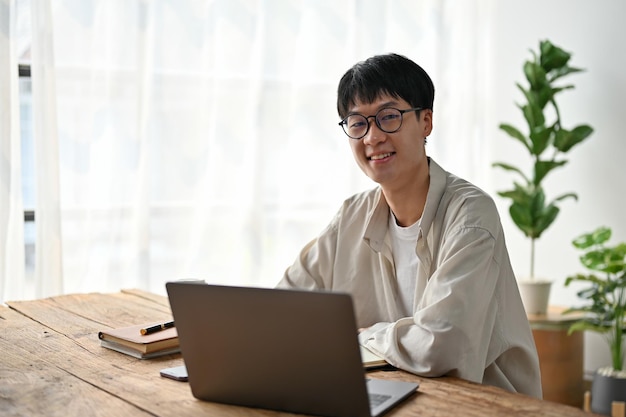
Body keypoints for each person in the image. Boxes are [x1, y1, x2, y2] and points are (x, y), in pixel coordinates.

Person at [277, 53, 542, 399]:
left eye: (388, 117)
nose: (372, 137)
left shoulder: (472, 216)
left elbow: (440, 344)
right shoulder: (351, 217)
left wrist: (360, 336)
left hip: (480, 404)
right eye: (358, 123)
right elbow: (283, 308)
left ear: (426, 122)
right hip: (392, 394)